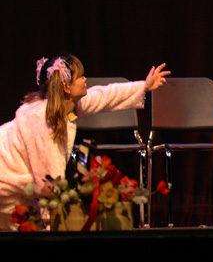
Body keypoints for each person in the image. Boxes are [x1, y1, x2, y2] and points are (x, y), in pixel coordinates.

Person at [0, 54, 170, 230]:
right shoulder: (44, 123)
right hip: (5, 175)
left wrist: (144, 86)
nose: (85, 80)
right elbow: (49, 182)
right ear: (66, 87)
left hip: (14, 180)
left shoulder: (66, 104)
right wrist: (54, 229)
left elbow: (104, 96)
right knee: (27, 224)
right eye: (80, 76)